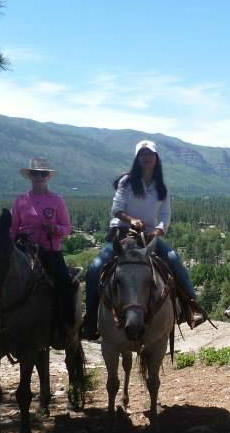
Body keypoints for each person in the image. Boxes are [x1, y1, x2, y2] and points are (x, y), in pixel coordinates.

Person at [81, 140, 206, 340]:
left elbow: (165, 215)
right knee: (96, 267)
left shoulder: (161, 187)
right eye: (142, 154)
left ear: (156, 159)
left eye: (150, 154)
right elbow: (116, 209)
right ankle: (91, 319)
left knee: (173, 259)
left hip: (148, 236)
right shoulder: (127, 182)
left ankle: (192, 306)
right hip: (121, 233)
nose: (146, 158)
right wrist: (131, 220)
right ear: (137, 158)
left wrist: (157, 231)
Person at [10, 157, 75, 327]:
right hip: (23, 250)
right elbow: (13, 228)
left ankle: (67, 326)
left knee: (64, 282)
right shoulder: (19, 201)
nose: (39, 177)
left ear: (47, 176)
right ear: (30, 176)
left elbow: (67, 228)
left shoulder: (57, 200)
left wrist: (54, 229)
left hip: (50, 251)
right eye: (35, 173)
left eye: (42, 174)